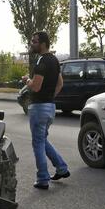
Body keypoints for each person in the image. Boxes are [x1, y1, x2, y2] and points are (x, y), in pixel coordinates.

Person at [22, 31, 70, 190]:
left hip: (39, 108)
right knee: (42, 139)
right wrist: (50, 98)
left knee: (37, 143)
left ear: (42, 43)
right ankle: (61, 168)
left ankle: (42, 179)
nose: (32, 44)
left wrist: (27, 80)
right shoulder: (55, 61)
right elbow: (60, 84)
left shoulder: (41, 62)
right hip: (50, 107)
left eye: (34, 42)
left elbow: (36, 86)